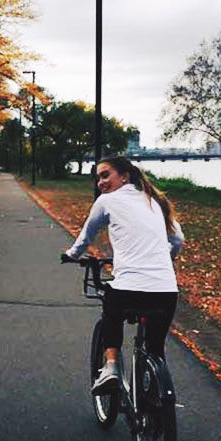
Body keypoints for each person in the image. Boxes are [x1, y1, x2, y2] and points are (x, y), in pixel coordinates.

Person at [62, 155, 183, 395]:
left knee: (111, 310)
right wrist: (164, 259)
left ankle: (111, 368)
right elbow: (177, 239)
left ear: (125, 176)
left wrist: (72, 254)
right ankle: (157, 396)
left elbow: (87, 235)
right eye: (98, 178)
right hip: (166, 291)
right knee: (155, 350)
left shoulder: (107, 201)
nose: (100, 182)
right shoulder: (155, 201)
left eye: (105, 175)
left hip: (129, 289)